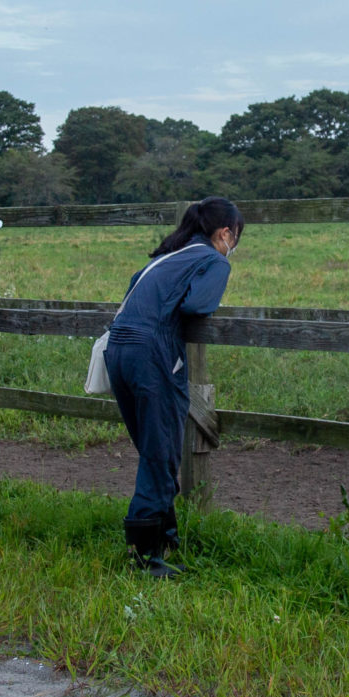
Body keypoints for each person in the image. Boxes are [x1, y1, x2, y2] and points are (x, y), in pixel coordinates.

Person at [103, 197, 241, 576]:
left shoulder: (166, 257)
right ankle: (144, 555)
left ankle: (164, 535)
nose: (235, 245)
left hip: (118, 348)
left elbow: (134, 288)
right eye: (237, 236)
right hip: (153, 352)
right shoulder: (213, 259)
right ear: (224, 232)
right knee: (160, 452)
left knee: (153, 447)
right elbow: (198, 304)